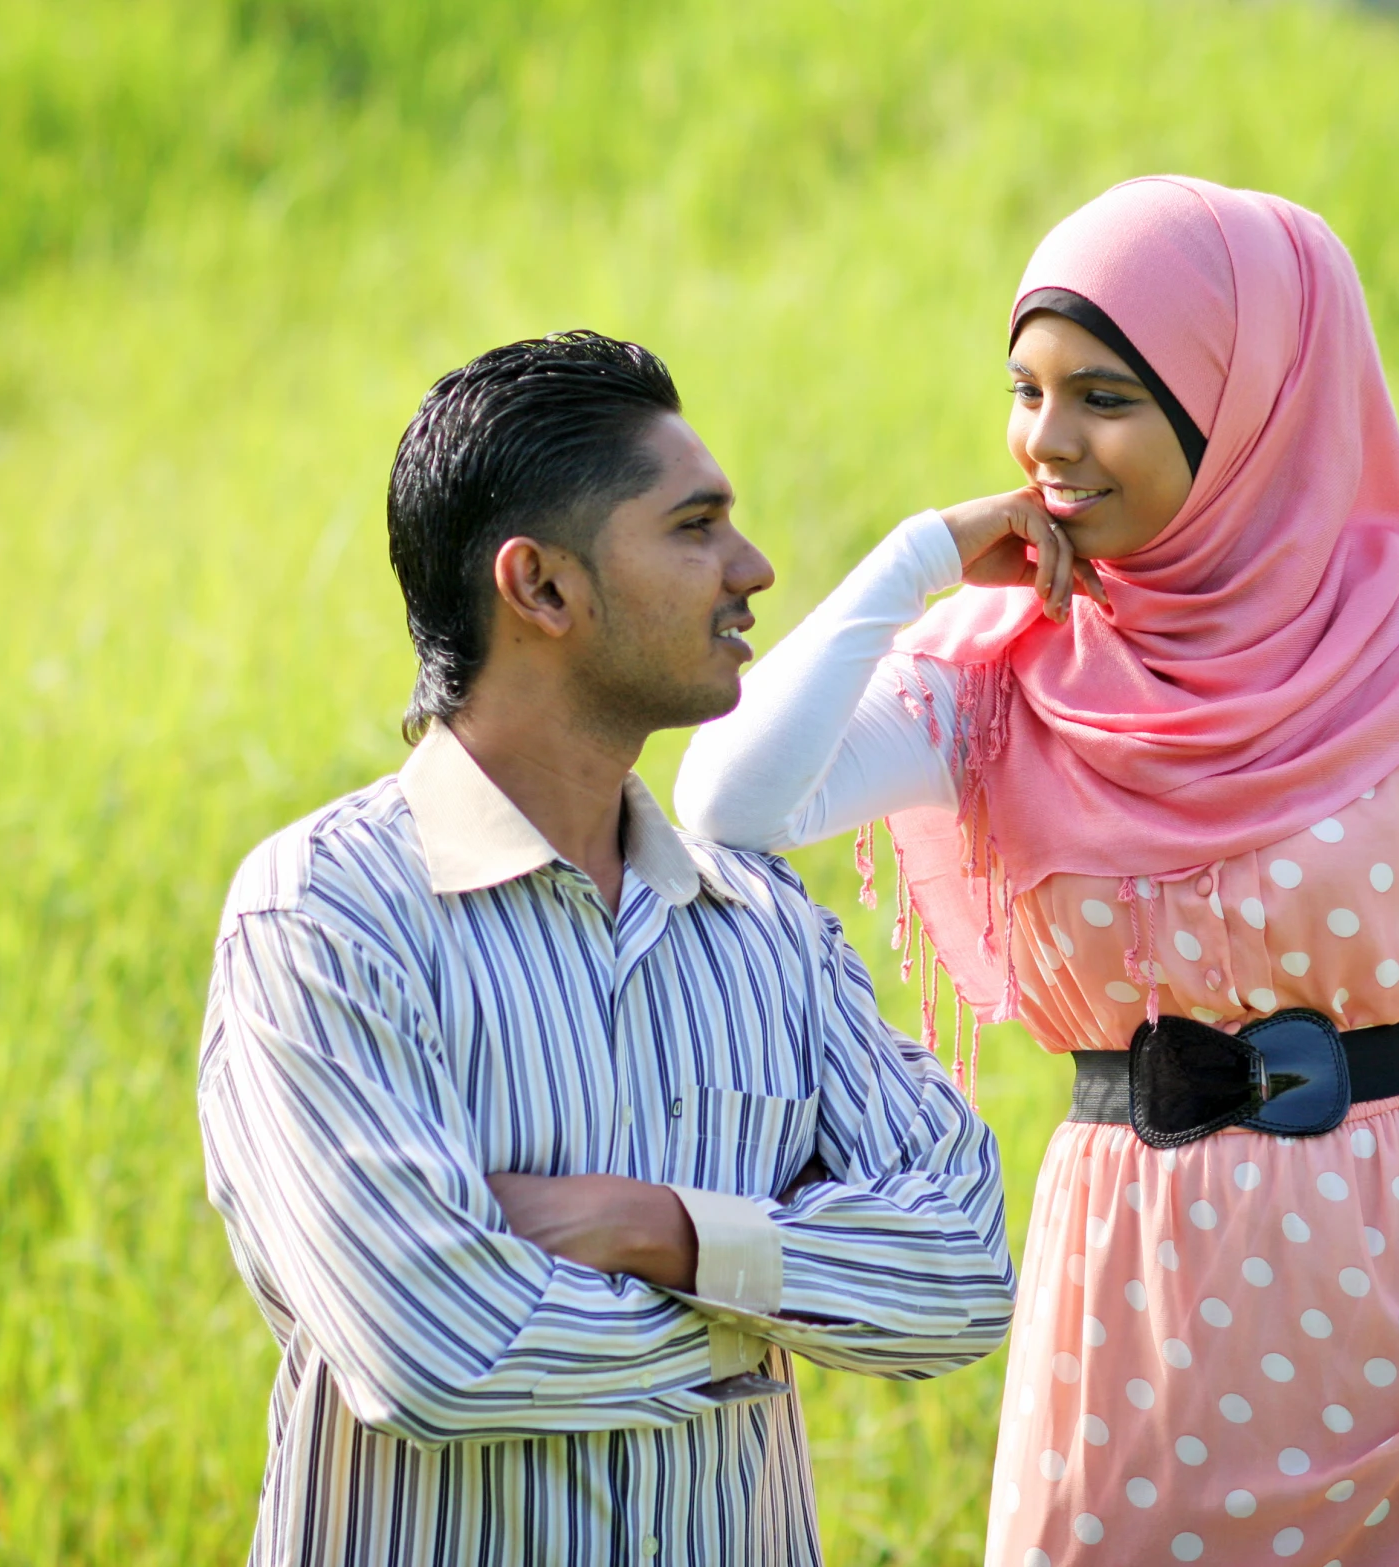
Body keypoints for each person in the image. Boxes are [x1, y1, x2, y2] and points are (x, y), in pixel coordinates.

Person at [676, 178, 1399, 1565]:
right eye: (1024, 391)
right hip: (1129, 1291)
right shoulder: (999, 670)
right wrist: (919, 560)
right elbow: (725, 803)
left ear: (1248, 406)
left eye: (1104, 398)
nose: (1046, 444)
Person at [198, 331, 1014, 1567]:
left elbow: (959, 1270)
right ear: (540, 589)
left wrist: (665, 1230)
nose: (752, 567)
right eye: (694, 527)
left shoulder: (764, 927)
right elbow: (439, 1350)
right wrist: (764, 1322)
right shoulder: (323, 917)